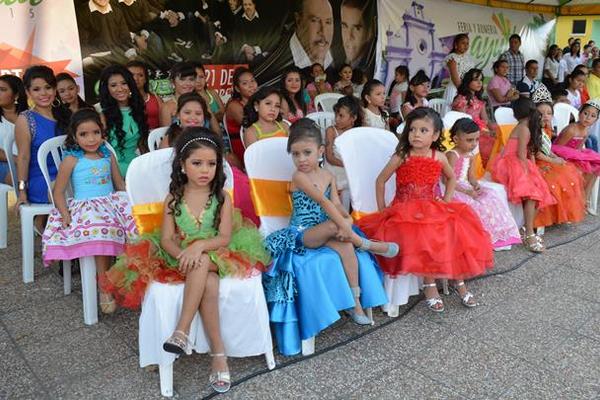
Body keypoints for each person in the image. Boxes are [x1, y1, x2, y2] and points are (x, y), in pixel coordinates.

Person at [101, 128, 271, 393]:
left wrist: (200, 247)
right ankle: (219, 358)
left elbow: (225, 237)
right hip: (182, 257)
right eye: (197, 163)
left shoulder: (221, 198)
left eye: (212, 164)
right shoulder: (174, 198)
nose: (205, 170)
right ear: (182, 165)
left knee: (202, 262)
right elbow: (167, 238)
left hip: (219, 253)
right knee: (210, 285)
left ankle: (181, 330)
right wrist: (183, 254)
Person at [264, 118, 390, 352]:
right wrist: (342, 224)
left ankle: (356, 304)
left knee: (346, 247)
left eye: (307, 153)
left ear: (321, 151)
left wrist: (348, 219)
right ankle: (369, 245)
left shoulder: (328, 176)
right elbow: (321, 201)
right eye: (296, 154)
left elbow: (336, 204)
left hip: (327, 226)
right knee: (335, 228)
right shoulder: (299, 177)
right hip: (302, 234)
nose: (301, 159)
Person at [356, 108, 493, 312]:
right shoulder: (402, 156)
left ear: (435, 135)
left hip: (432, 205)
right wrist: (383, 208)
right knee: (427, 234)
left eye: (423, 130)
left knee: (454, 231)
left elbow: (452, 178)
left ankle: (459, 281)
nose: (416, 134)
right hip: (404, 210)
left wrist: (446, 200)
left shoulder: (438, 156)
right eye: (412, 129)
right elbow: (380, 180)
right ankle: (430, 285)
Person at [42, 109, 137, 313]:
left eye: (95, 132)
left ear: (102, 133)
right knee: (100, 229)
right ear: (74, 137)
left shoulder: (107, 155)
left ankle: (118, 278)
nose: (91, 138)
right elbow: (58, 192)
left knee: (133, 227)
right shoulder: (71, 160)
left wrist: (132, 202)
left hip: (110, 203)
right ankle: (104, 287)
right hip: (86, 207)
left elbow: (119, 184)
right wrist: (65, 215)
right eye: (83, 134)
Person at [491, 97, 555, 253]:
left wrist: (532, 170)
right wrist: (530, 171)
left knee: (538, 191)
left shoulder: (525, 126)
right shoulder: (524, 128)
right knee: (532, 193)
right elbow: (521, 155)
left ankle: (527, 229)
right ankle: (529, 233)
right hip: (511, 164)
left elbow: (527, 154)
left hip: (517, 162)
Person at [446, 118, 521, 249]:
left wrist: (476, 185)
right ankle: (475, 237)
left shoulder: (469, 155)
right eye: (469, 140)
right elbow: (447, 180)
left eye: (476, 140)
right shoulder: (452, 155)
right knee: (472, 204)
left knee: (491, 196)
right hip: (452, 188)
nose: (474, 144)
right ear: (456, 139)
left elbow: (471, 177)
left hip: (465, 185)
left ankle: (497, 234)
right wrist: (467, 192)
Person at [15, 66, 71, 233]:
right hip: (43, 180)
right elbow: (23, 157)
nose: (44, 93)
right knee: (72, 191)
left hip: (68, 175)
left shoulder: (65, 114)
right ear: (28, 92)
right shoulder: (26, 119)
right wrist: (22, 192)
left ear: (55, 89)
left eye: (48, 87)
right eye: (36, 89)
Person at [531, 86, 586, 228]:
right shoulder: (533, 129)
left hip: (546, 158)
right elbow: (536, 152)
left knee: (570, 173)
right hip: (535, 162)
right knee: (555, 180)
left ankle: (562, 214)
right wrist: (553, 160)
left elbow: (547, 149)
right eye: (541, 113)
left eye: (549, 113)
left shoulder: (547, 128)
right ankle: (545, 219)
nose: (545, 116)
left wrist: (556, 157)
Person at [252, 0, 334, 86]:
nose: (323, 31)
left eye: (328, 22)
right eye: (315, 20)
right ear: (298, 20)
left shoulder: (334, 61)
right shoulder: (277, 53)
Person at [98, 65, 149, 177]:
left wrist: (149, 163)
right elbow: (100, 150)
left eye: (124, 83)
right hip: (113, 166)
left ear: (130, 85)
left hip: (134, 162)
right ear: (107, 89)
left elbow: (142, 145)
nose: (120, 89)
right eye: (113, 85)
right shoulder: (103, 116)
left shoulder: (138, 110)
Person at [552, 99, 600, 214]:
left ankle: (585, 199)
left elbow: (578, 149)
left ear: (596, 120)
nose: (588, 118)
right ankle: (577, 202)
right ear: (579, 113)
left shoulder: (586, 131)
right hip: (561, 157)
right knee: (582, 171)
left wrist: (581, 159)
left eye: (593, 116)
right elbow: (557, 148)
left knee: (594, 168)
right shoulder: (571, 129)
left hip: (574, 156)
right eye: (585, 113)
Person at [451, 68, 497, 168]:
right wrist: (483, 131)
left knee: (497, 138)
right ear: (468, 82)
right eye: (476, 80)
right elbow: (462, 122)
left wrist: (493, 130)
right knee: (488, 143)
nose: (479, 83)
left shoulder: (478, 99)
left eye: (481, 80)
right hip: (467, 132)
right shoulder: (461, 99)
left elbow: (486, 120)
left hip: (480, 130)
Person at [324, 96, 363, 210]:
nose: (337, 119)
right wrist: (349, 165)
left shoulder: (356, 133)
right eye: (336, 114)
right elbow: (330, 157)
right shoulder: (331, 131)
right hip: (334, 174)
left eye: (341, 116)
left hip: (350, 175)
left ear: (353, 118)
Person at [224, 67, 257, 164]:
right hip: (243, 149)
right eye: (245, 83)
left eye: (253, 81)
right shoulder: (234, 105)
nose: (251, 85)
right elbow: (251, 126)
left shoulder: (260, 102)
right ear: (237, 88)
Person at [0, 74, 27, 185]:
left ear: (16, 94)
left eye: (2, 89)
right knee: (22, 178)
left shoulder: (30, 116)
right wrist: (19, 160)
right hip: (4, 164)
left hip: (29, 162)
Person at [442, 33, 475, 112]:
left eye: (467, 43)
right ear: (456, 44)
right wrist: (464, 93)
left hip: (467, 90)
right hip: (455, 90)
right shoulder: (452, 57)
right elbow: (455, 79)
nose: (466, 46)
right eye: (463, 43)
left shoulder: (468, 58)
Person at [126, 61, 163, 130]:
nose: (136, 78)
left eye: (140, 75)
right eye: (131, 75)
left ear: (145, 79)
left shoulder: (156, 99)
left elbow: (164, 126)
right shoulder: (121, 100)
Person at [340, 0, 376, 69]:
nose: (349, 36)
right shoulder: (340, 63)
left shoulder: (372, 68)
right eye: (344, 26)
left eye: (357, 28)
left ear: (371, 30)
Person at [159, 62, 197, 127]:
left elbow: (217, 131)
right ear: (172, 82)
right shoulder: (167, 108)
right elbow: (166, 135)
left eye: (191, 79)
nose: (188, 83)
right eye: (182, 79)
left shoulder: (201, 102)